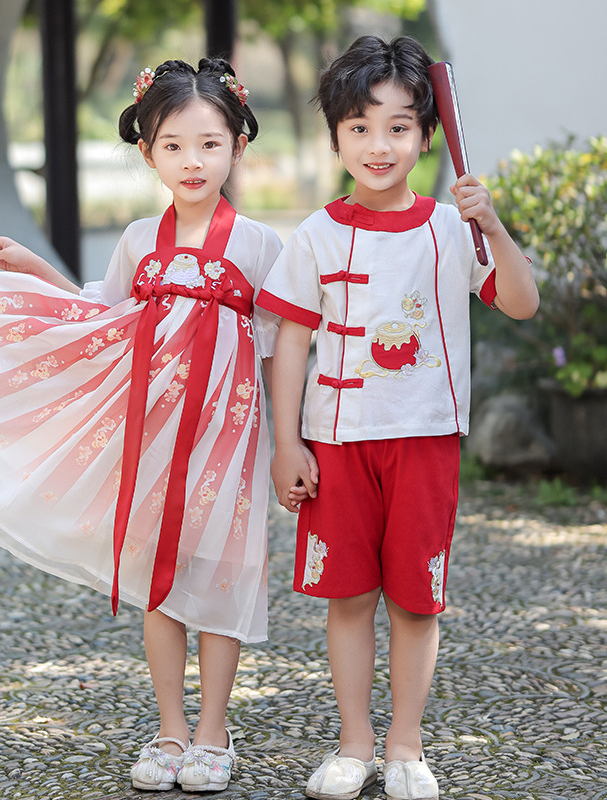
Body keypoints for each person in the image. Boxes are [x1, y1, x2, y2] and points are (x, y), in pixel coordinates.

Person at [0, 58, 283, 794]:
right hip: (152, 435)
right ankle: (170, 728)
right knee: (160, 582)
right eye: (174, 145)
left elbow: (283, 347)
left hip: (228, 436)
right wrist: (32, 267)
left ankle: (214, 732)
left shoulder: (258, 246)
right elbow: (99, 316)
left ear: (238, 146)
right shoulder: (139, 240)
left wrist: (295, 444)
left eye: (210, 144)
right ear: (148, 152)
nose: (193, 161)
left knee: (224, 576)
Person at [256, 36, 538, 800]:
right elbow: (291, 341)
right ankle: (353, 744)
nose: (378, 145)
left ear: (426, 134)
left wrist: (493, 225)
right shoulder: (315, 236)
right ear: (336, 135)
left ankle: (406, 746)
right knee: (348, 597)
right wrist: (286, 442)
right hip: (338, 444)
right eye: (359, 127)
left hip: (424, 440)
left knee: (416, 600)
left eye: (399, 126)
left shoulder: (452, 229)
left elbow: (522, 302)